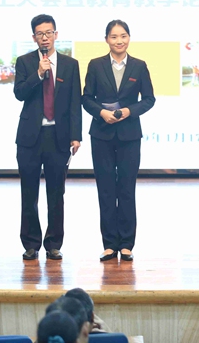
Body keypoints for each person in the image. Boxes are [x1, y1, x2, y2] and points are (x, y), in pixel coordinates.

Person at [82, 19, 155, 262]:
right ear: (106, 40)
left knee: (126, 189)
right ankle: (109, 245)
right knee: (105, 189)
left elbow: (149, 99)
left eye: (123, 36)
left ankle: (126, 244)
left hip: (129, 135)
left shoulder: (139, 66)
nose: (119, 41)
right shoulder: (96, 65)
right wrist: (101, 112)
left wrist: (129, 111)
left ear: (129, 38)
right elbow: (86, 98)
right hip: (101, 134)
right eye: (114, 37)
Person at [14, 13, 82, 261]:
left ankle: (54, 244)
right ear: (34, 37)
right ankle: (31, 244)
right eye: (40, 34)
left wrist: (76, 136)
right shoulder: (24, 62)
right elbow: (19, 93)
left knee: (56, 193)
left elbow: (75, 102)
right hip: (30, 137)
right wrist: (38, 74)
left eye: (49, 32)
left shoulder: (70, 64)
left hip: (58, 136)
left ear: (56, 34)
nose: (45, 37)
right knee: (29, 192)